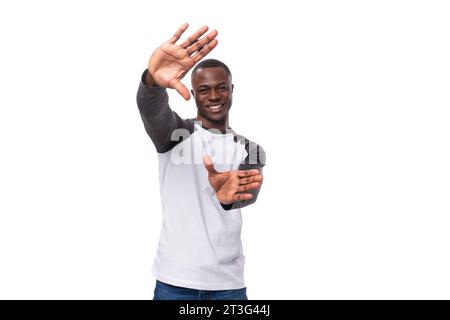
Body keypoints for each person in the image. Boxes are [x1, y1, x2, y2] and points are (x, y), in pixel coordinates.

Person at [136, 23, 266, 300]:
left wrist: (231, 198)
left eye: (221, 88)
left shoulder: (251, 149)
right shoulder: (175, 134)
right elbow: (151, 110)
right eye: (205, 90)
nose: (215, 96)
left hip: (228, 287)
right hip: (174, 283)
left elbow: (247, 191)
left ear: (232, 90)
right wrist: (152, 82)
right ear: (193, 94)